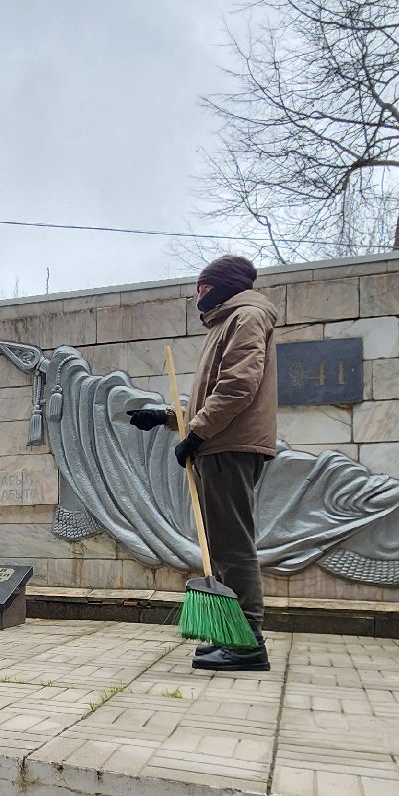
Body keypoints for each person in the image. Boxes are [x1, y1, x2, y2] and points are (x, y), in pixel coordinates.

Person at [128, 255, 280, 671]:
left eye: (205, 288)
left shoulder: (246, 317)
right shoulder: (228, 322)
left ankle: (248, 643)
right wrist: (166, 417)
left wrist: (196, 434)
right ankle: (235, 637)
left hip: (228, 446)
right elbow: (214, 396)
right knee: (223, 546)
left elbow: (237, 387)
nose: (200, 295)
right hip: (221, 443)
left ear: (223, 286)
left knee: (232, 546)